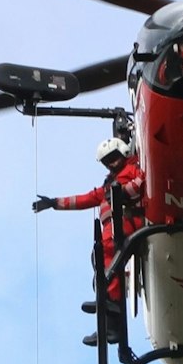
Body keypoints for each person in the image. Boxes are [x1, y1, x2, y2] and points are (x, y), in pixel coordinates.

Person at [32, 137, 145, 347]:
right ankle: (110, 322)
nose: (111, 163)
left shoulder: (133, 169)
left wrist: (121, 193)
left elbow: (141, 182)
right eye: (107, 161)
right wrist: (54, 203)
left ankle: (110, 303)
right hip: (113, 226)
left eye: (114, 157)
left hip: (126, 222)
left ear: (123, 152)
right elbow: (85, 199)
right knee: (100, 260)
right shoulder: (108, 185)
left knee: (108, 254)